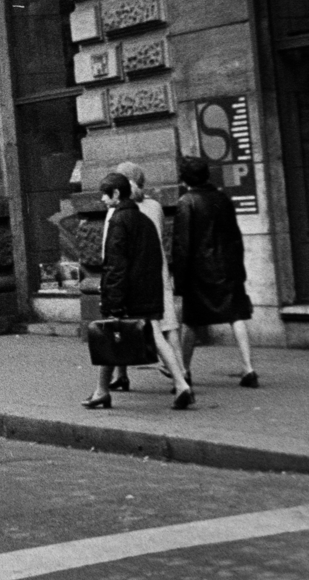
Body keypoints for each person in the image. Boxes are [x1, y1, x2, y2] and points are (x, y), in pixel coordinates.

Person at [84, 172, 194, 411]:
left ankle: (102, 391)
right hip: (148, 290)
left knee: (109, 338)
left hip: (126, 293)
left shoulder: (118, 221)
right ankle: (181, 383)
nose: (102, 199)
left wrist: (112, 301)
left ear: (116, 194)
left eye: (105, 194)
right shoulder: (144, 220)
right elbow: (154, 259)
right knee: (155, 335)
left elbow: (115, 265)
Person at [171, 156, 258, 387]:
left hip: (199, 272)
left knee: (191, 321)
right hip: (227, 268)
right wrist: (239, 269)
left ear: (184, 178)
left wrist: (179, 280)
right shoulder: (222, 198)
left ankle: (184, 371)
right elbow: (235, 237)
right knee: (236, 315)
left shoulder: (186, 202)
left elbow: (182, 245)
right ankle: (248, 368)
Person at [107, 162, 188, 393]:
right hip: (158, 269)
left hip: (132, 274)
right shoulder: (155, 206)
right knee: (168, 324)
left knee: (119, 324)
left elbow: (111, 247)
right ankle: (181, 374)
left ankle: (119, 376)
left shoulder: (118, 211)